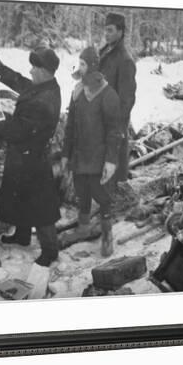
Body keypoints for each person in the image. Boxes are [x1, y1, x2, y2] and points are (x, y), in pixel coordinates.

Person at [0, 47, 62, 267]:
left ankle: (50, 250)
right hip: (24, 154)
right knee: (21, 196)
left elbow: (17, 129)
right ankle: (23, 236)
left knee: (41, 205)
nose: (31, 70)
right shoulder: (44, 87)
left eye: (35, 67)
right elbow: (19, 81)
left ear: (44, 70)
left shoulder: (44, 100)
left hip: (33, 157)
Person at [61, 47, 122, 257]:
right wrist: (65, 154)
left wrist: (111, 161)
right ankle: (84, 227)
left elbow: (115, 132)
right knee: (82, 192)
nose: (80, 68)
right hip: (80, 156)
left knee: (103, 197)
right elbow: (69, 126)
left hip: (99, 158)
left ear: (94, 67)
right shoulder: (77, 92)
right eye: (80, 63)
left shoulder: (108, 95)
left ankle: (106, 234)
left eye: (84, 64)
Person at [99, 12, 137, 182]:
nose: (106, 34)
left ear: (120, 32)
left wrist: (117, 130)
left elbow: (126, 101)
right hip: (100, 121)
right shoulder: (106, 51)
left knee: (113, 176)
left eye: (110, 30)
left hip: (113, 125)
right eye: (105, 30)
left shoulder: (125, 60)